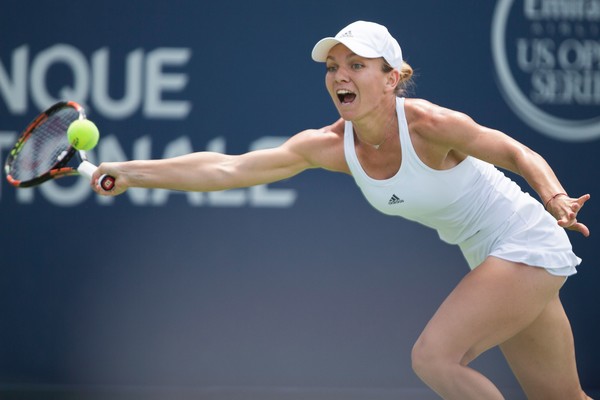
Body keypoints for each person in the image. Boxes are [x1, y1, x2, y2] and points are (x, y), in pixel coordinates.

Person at [91, 21, 592, 400]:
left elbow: (515, 152)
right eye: (333, 67)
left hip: (525, 239)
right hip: (487, 254)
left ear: (393, 78)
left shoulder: (429, 125)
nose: (340, 76)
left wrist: (553, 197)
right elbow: (227, 169)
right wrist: (133, 172)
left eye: (357, 65)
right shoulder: (330, 146)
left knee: (434, 358)